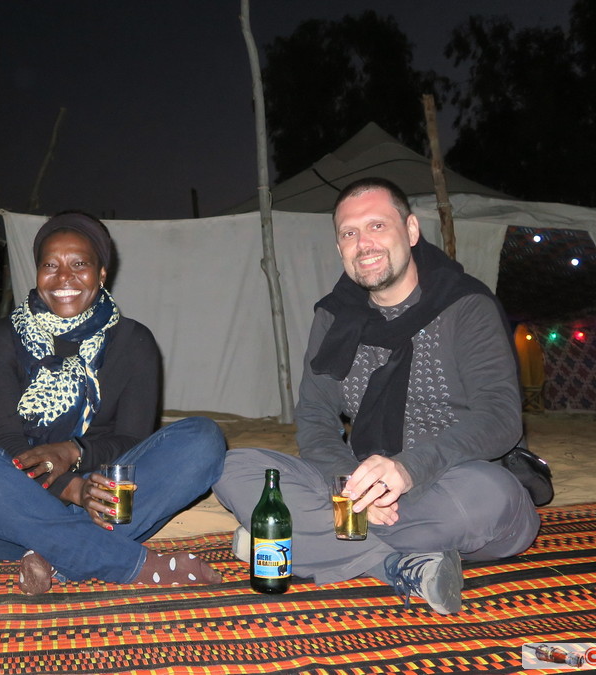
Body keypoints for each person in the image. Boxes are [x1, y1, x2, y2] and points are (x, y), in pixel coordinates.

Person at [213, 178, 540, 614]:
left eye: (376, 226)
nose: (362, 243)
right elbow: (315, 415)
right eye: (349, 233)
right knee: (234, 467)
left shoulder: (464, 306)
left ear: (410, 231)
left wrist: (407, 470)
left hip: (448, 481)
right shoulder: (335, 318)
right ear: (339, 248)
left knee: (492, 496)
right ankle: (394, 566)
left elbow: (500, 418)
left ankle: (288, 543)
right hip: (355, 488)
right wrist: (348, 487)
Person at [0, 211, 226, 594]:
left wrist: (75, 452)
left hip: (107, 498)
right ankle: (129, 564)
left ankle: (55, 555)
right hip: (20, 503)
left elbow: (132, 437)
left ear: (101, 273)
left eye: (79, 265)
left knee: (204, 438)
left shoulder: (133, 342)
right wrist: (71, 489)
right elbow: (8, 443)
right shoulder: (1, 341)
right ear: (37, 271)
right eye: (50, 265)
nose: (63, 278)